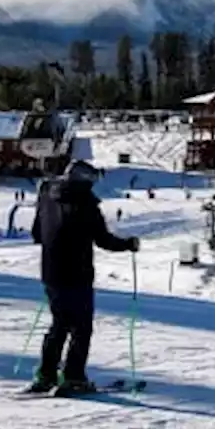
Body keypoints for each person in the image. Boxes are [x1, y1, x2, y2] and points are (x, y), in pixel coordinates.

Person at [27, 160, 139, 395]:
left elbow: (37, 233)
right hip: (77, 274)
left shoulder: (47, 196)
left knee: (59, 324)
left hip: (51, 273)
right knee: (81, 327)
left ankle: (46, 374)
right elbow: (103, 240)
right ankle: (73, 376)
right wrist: (128, 244)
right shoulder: (85, 203)